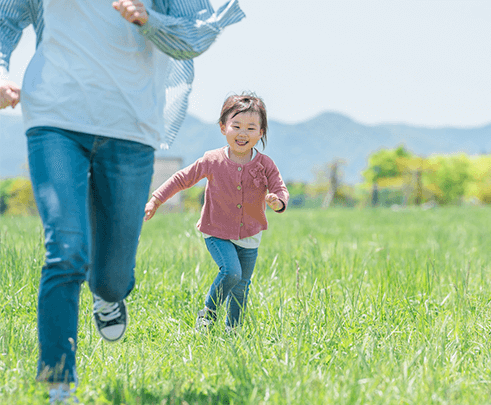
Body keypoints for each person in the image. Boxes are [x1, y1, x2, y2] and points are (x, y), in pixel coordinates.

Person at [0, 0, 245, 402]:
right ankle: (59, 386)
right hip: (54, 118)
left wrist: (149, 20)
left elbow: (195, 35)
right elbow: (5, 19)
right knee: (65, 252)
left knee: (113, 278)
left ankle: (108, 294)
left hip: (130, 129)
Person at [144, 93, 289, 333]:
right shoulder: (212, 160)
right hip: (216, 231)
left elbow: (279, 188)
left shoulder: (265, 164)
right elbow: (182, 179)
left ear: (261, 132)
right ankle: (208, 314)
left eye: (251, 128)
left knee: (242, 286)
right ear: (223, 127)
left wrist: (278, 202)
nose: (243, 133)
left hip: (250, 234)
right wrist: (156, 199)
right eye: (237, 126)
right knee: (231, 272)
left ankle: (233, 331)